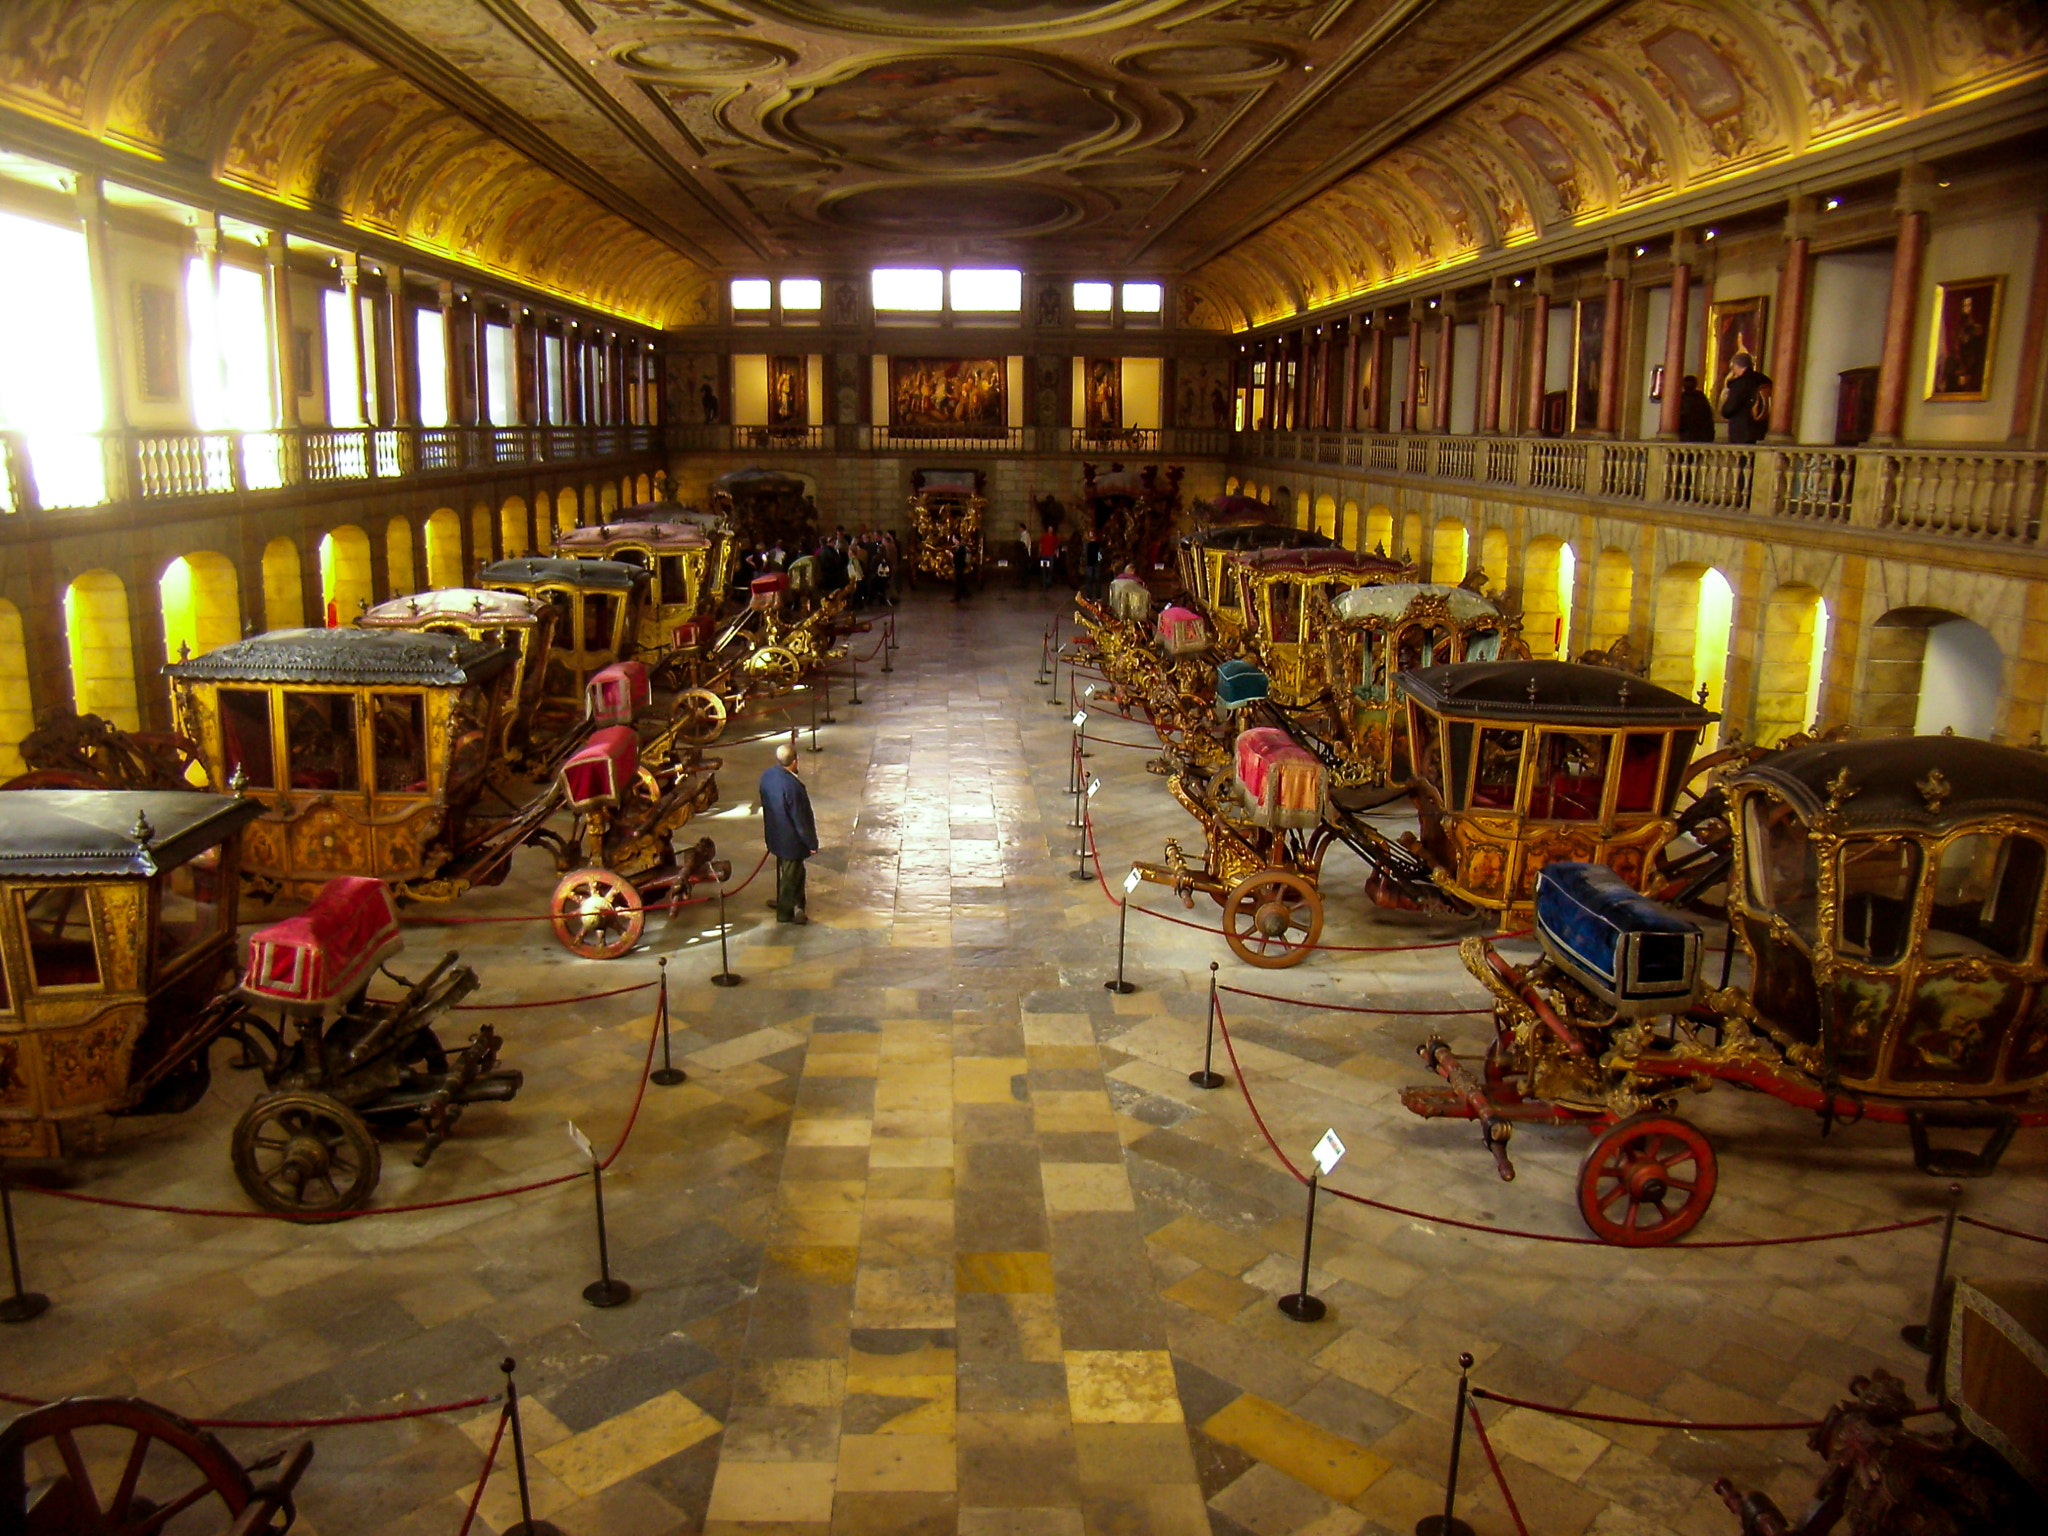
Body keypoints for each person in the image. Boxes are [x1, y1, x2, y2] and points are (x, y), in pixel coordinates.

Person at [760, 741, 818, 926]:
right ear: (795, 761)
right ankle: (785, 912)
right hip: (791, 841)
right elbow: (801, 820)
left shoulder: (767, 776)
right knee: (790, 875)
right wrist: (811, 843)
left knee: (793, 871)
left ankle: (798, 904)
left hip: (775, 834)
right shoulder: (793, 787)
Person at [1719, 352, 1772, 445]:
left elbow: (1729, 408)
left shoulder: (1740, 383)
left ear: (1736, 366)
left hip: (1742, 430)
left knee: (1742, 457)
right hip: (1761, 427)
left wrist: (1723, 410)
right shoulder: (1764, 379)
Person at [1675, 374, 1715, 442]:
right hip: (1702, 436)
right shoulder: (1701, 398)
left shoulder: (1680, 399)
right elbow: (1708, 416)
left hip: (1686, 434)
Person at [951, 535, 970, 604]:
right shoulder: (958, 547)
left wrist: (951, 555)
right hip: (958, 566)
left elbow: (959, 556)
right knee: (961, 580)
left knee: (958, 581)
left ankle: (958, 597)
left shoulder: (961, 547)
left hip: (960, 565)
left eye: (953, 538)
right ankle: (965, 593)